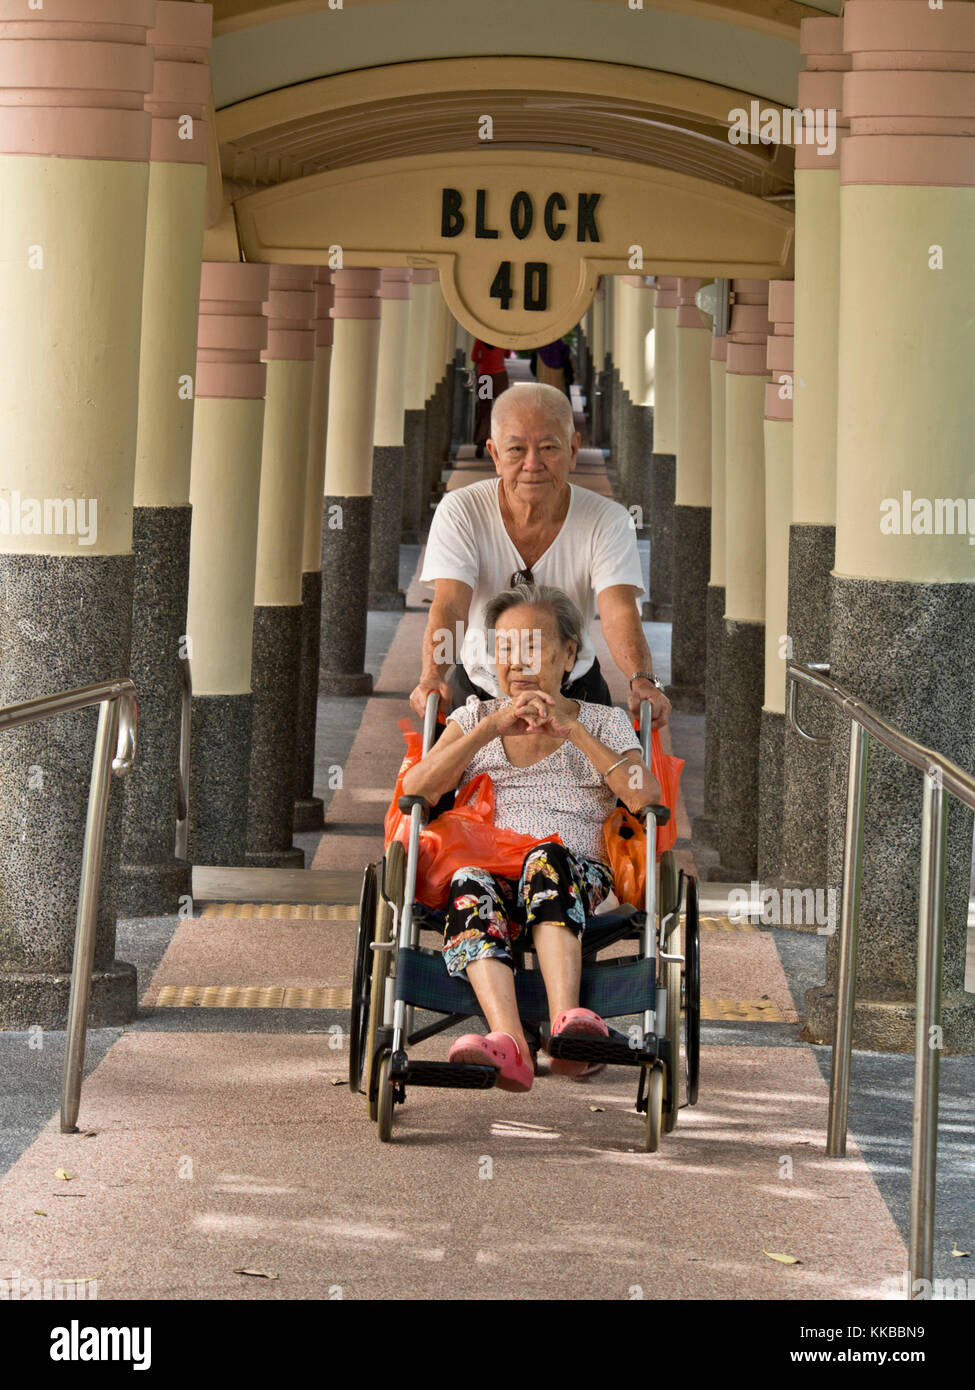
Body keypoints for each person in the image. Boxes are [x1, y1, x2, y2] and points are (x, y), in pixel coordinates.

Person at [401, 585, 661, 1092]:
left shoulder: (603, 721)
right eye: (505, 649)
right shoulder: (474, 718)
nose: (517, 664)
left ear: (569, 655)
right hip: (490, 876)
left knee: (547, 856)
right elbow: (415, 790)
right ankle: (510, 1042)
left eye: (534, 649)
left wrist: (575, 731)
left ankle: (568, 1028)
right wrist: (488, 729)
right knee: (469, 879)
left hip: (572, 873)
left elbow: (644, 795)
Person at [411, 380, 671, 726]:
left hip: (574, 690)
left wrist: (642, 679)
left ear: (574, 450)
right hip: (481, 685)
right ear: (495, 455)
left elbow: (618, 610)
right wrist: (432, 674)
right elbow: (451, 604)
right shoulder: (461, 510)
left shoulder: (608, 520)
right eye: (516, 449)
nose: (533, 464)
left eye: (549, 447)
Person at [470, 339, 510, 458]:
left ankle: (481, 442)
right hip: (499, 376)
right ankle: (503, 441)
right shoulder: (502, 338)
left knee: (484, 410)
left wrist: (485, 359)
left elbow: (474, 357)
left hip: (485, 376)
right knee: (502, 410)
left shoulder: (480, 339)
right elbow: (507, 354)